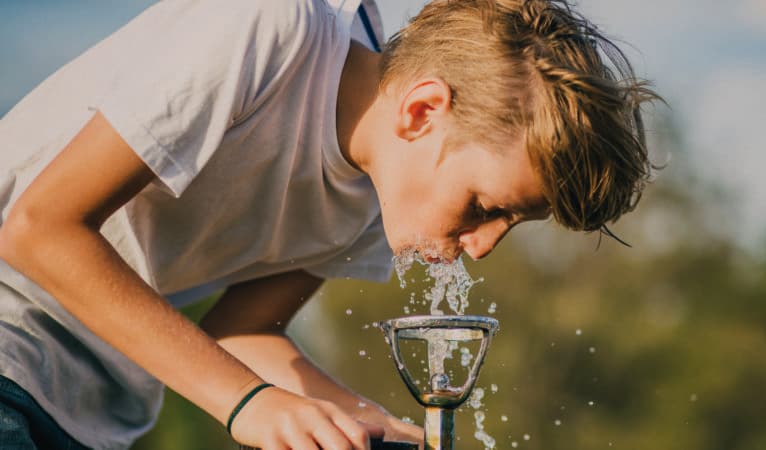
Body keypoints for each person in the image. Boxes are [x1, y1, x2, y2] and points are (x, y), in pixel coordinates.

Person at [0, 0, 660, 448]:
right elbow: (37, 226)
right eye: (485, 208)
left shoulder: (378, 198)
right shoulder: (269, 28)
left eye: (510, 223)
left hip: (91, 418)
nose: (483, 247)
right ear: (423, 111)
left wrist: (365, 422)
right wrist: (247, 403)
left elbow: (242, 333)